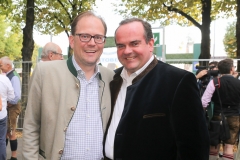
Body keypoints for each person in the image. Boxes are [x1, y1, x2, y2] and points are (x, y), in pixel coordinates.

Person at [103, 18, 209, 160]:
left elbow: (194, 147)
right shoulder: (111, 79)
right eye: (121, 46)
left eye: (134, 43)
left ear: (150, 44)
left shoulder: (178, 81)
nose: (127, 51)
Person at [22, 11, 114, 159]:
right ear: (72, 41)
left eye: (98, 37)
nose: (92, 43)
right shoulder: (45, 72)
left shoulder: (111, 77)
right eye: (84, 36)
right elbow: (31, 125)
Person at [201, 58, 240, 160]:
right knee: (229, 147)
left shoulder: (215, 82)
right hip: (234, 117)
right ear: (232, 69)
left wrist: (203, 113)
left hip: (217, 116)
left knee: (213, 146)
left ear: (219, 70)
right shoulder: (238, 83)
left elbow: (204, 101)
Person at [0, 56, 21, 160]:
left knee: (11, 132)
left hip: (13, 107)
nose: (0, 67)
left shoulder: (14, 76)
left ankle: (14, 157)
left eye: (1, 65)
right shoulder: (8, 75)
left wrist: (7, 103)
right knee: (6, 133)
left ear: (8, 65)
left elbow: (16, 96)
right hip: (8, 106)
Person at [0, 74, 15, 160]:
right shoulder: (4, 79)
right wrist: (5, 100)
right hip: (1, 115)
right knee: (1, 140)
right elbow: (12, 97)